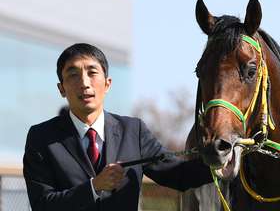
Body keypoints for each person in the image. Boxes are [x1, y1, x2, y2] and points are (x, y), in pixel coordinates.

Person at [23, 43, 212, 211]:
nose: (84, 83)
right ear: (61, 89)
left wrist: (223, 162)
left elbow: (179, 175)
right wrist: (94, 187)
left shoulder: (133, 131)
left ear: (107, 84)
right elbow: (42, 205)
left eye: (92, 72)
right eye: (73, 74)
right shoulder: (41, 138)